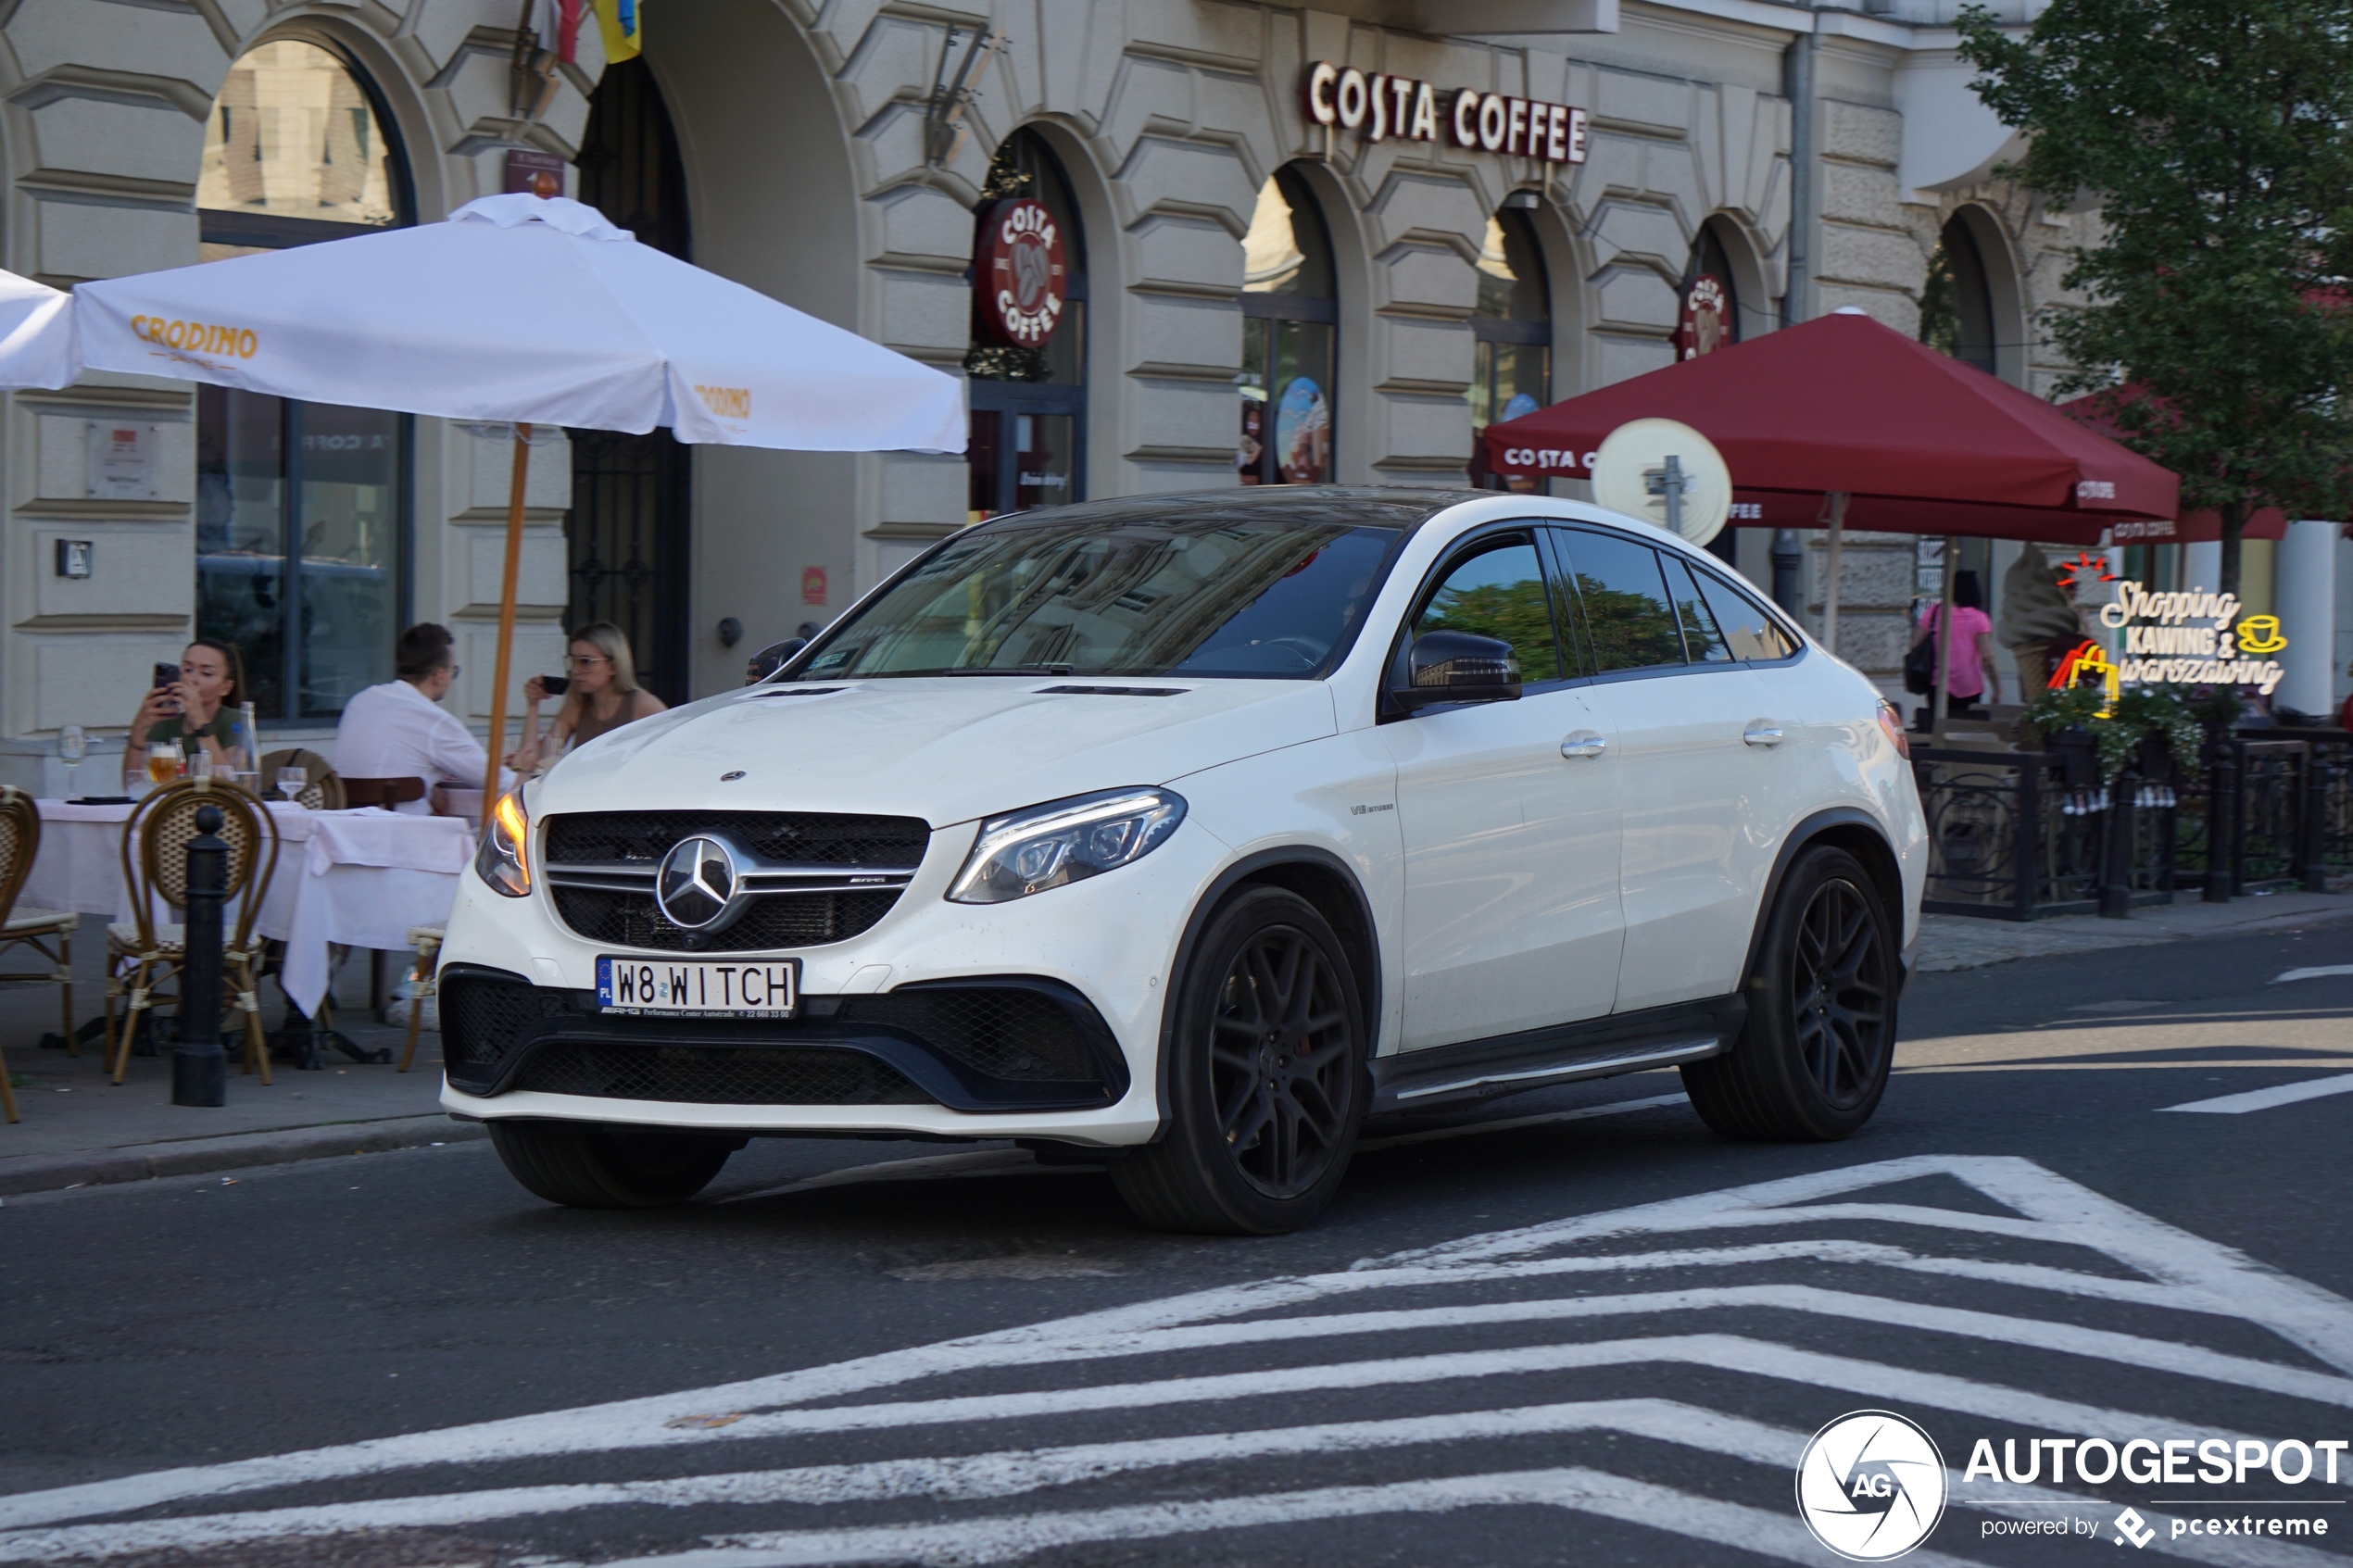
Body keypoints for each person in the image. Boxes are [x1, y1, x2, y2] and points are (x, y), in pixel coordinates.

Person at [333, 623, 510, 815]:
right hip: (406, 836)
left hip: (345, 833)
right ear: (440, 675)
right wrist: (526, 770)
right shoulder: (434, 721)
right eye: (454, 671)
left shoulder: (361, 701)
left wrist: (430, 788)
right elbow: (499, 782)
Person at [509, 621, 667, 774]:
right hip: (582, 794)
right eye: (572, 661)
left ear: (612, 667)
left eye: (585, 662)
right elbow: (533, 758)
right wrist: (532, 706)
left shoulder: (641, 704)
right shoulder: (578, 705)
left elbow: (673, 750)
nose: (576, 670)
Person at [122, 639, 247, 789]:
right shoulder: (167, 720)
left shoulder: (235, 720)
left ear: (226, 687)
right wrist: (139, 727)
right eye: (187, 670)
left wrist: (199, 720)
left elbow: (232, 786)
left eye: (206, 673)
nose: (192, 679)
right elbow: (134, 786)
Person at [1910, 570, 1997, 730]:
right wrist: (1997, 688)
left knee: (1938, 727)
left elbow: (1915, 644)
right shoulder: (1979, 618)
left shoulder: (1935, 613)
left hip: (1938, 681)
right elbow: (1987, 657)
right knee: (1966, 728)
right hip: (1969, 683)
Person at [1996, 544, 2086, 693]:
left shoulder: (2071, 617)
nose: (2075, 590)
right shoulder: (2063, 617)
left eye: (2075, 585)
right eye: (2070, 585)